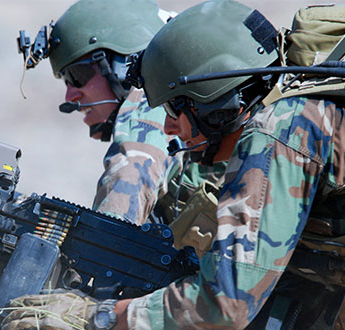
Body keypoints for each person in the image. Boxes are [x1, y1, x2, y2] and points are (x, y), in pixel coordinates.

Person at [2, 0, 345, 330]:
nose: (169, 126)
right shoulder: (300, 115)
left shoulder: (279, 129)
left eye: (177, 108)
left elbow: (227, 303)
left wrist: (95, 318)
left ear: (217, 101)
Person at [20, 0, 224, 226]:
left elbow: (130, 177)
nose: (70, 96)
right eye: (66, 81)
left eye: (77, 75)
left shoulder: (153, 100)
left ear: (122, 67)